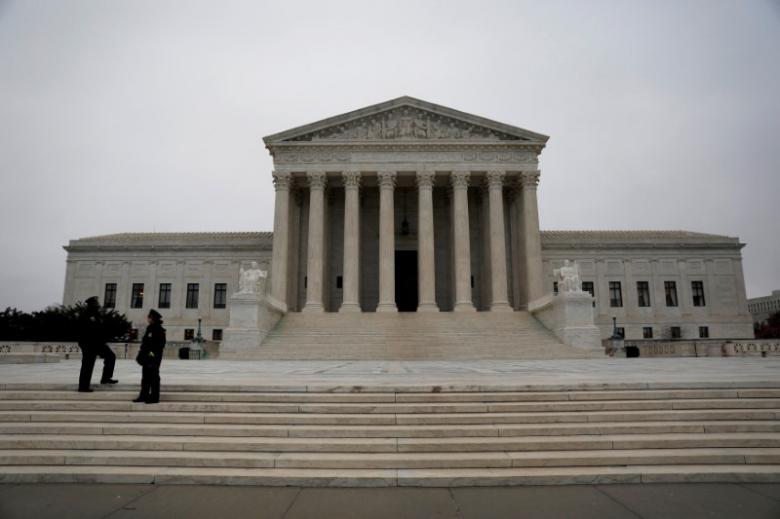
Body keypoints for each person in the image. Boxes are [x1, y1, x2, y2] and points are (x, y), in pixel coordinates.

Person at [77, 296, 118, 392]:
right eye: (96, 306)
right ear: (91, 306)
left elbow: (100, 329)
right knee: (87, 365)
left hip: (98, 344)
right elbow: (82, 332)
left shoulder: (96, 315)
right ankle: (83, 386)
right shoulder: (85, 316)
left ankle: (106, 378)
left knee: (111, 356)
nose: (98, 307)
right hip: (89, 345)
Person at [134, 309, 166, 404]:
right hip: (147, 358)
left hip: (153, 358)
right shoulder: (150, 328)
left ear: (152, 318)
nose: (148, 318)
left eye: (149, 317)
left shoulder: (159, 329)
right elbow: (146, 343)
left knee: (154, 378)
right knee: (145, 378)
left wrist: (151, 355)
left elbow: (159, 345)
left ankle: (154, 397)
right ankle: (143, 396)